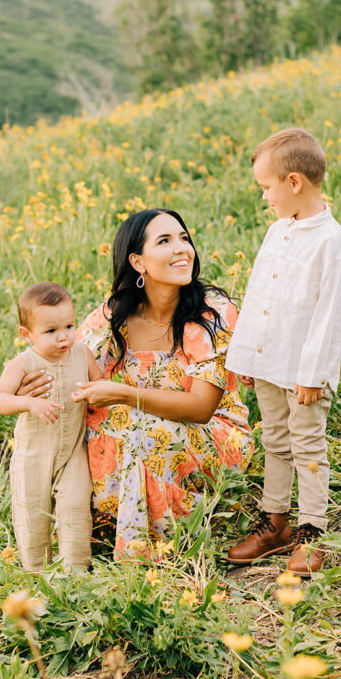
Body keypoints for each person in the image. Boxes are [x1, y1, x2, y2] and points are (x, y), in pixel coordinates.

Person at [28, 209, 253, 560]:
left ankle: (153, 547)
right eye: (164, 241)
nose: (182, 249)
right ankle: (91, 525)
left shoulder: (213, 313)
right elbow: (71, 358)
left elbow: (201, 409)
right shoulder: (115, 314)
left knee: (141, 425)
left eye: (184, 238)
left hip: (214, 435)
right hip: (134, 426)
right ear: (137, 262)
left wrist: (123, 394)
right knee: (89, 424)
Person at [225, 128, 341, 575]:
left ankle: (313, 531)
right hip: (268, 362)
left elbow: (330, 315)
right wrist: (246, 357)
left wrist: (313, 374)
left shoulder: (331, 243)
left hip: (303, 373)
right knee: (275, 441)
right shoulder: (278, 232)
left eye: (267, 188)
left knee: (307, 446)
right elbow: (259, 295)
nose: (265, 198)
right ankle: (275, 523)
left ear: (295, 182)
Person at [0, 281, 103, 572]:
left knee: (76, 510)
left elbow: (100, 383)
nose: (63, 337)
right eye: (51, 331)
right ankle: (37, 574)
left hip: (73, 453)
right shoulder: (23, 363)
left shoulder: (82, 353)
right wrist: (29, 403)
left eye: (69, 326)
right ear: (26, 335)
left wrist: (94, 392)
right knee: (33, 519)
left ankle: (75, 576)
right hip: (33, 457)